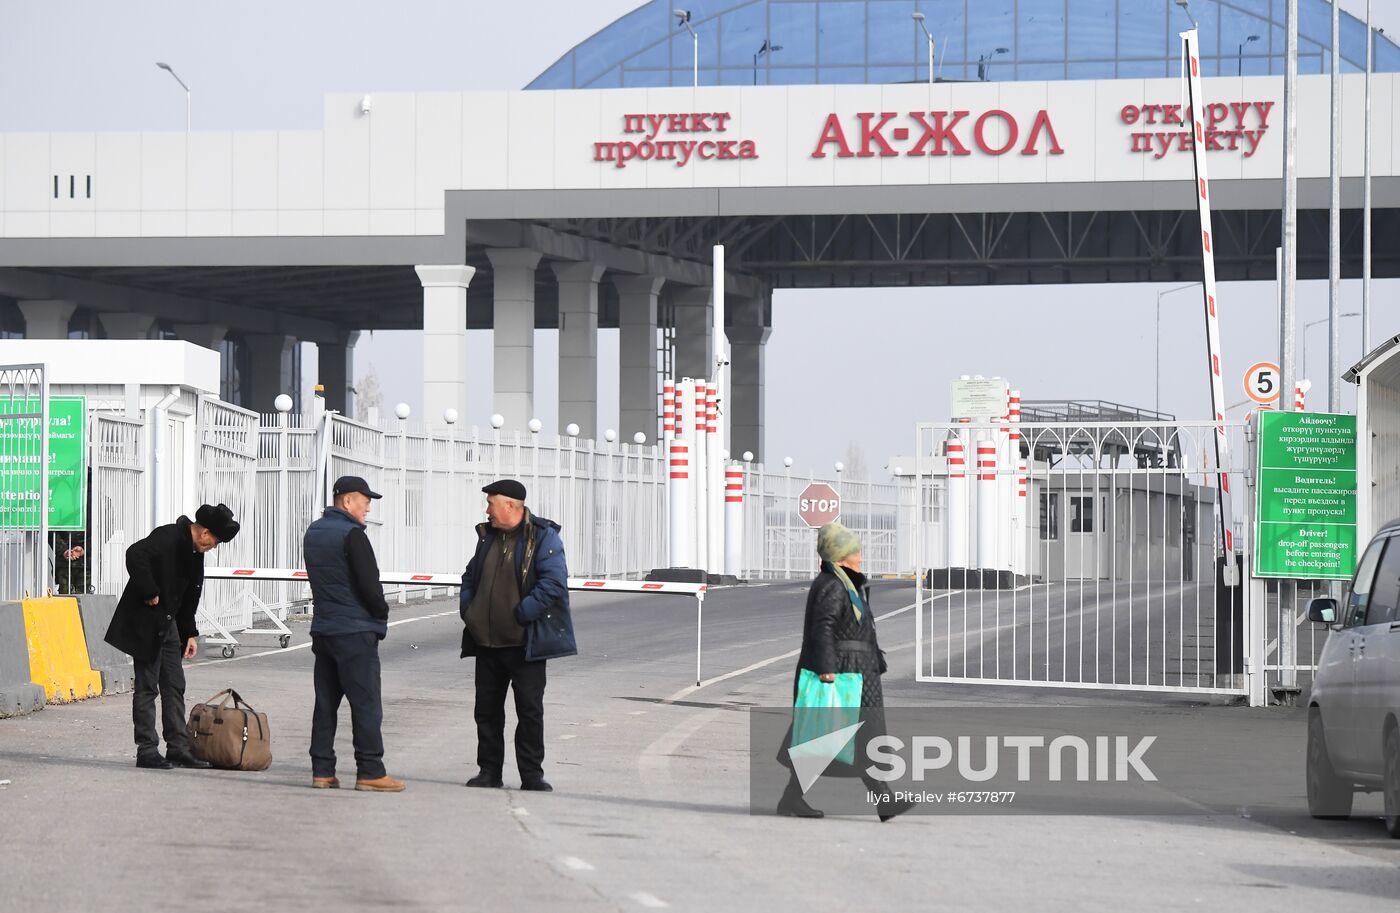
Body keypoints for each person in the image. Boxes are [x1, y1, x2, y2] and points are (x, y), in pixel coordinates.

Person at [777, 522, 910, 822]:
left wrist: (876, 658)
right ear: (839, 557)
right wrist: (826, 668)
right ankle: (882, 799)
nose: (860, 557)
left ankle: (794, 798)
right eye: (854, 552)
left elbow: (862, 628)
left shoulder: (847, 584)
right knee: (833, 737)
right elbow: (821, 627)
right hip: (843, 673)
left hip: (859, 671)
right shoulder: (833, 586)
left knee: (847, 737)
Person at [459, 479, 576, 792]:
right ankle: (489, 772)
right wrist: (468, 610)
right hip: (486, 643)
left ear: (510, 505)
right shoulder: (487, 537)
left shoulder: (542, 537)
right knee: (486, 711)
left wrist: (522, 614)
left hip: (525, 644)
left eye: (491, 504)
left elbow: (553, 583)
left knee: (529, 712)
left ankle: (531, 775)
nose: (487, 511)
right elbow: (470, 575)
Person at [105, 503, 239, 770]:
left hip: (170, 627)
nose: (213, 547)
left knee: (174, 685)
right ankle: (147, 750)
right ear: (204, 533)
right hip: (147, 623)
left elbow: (190, 596)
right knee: (147, 687)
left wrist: (189, 633)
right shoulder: (168, 537)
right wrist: (149, 590)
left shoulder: (194, 552)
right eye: (214, 541)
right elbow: (135, 554)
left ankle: (178, 748)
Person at [303, 475, 404, 793]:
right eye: (365, 500)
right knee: (366, 703)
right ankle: (371, 770)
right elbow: (369, 584)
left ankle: (322, 770)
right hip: (355, 630)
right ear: (347, 501)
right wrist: (381, 614)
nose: (368, 508)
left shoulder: (314, 532)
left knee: (326, 703)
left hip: (325, 629)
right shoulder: (352, 535)